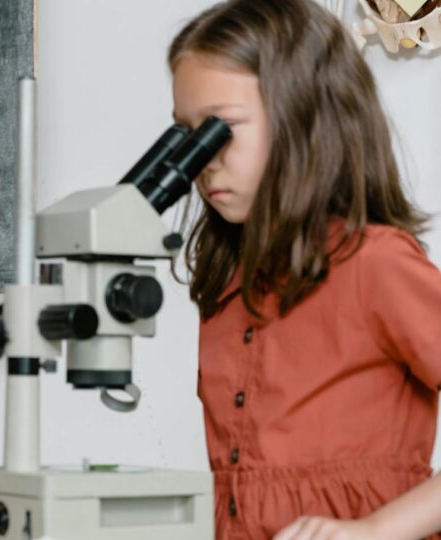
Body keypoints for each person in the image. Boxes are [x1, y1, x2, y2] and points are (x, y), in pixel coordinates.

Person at [168, 1, 441, 538]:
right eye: (188, 135)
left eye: (223, 130)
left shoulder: (376, 265)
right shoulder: (226, 287)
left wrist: (377, 529)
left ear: (305, 118)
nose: (204, 160)